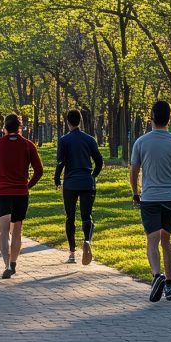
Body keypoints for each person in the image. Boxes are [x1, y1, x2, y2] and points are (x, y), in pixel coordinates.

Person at [130, 100, 171, 303]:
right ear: (170, 118)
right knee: (166, 240)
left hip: (150, 197)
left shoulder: (141, 142)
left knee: (152, 239)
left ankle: (157, 276)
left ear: (151, 118)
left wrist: (135, 192)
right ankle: (170, 286)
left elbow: (134, 171)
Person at [0, 113, 44, 279]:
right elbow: (39, 171)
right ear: (20, 127)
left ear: (4, 127)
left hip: (2, 192)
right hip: (20, 193)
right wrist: (27, 185)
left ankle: (7, 264)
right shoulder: (28, 145)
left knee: (3, 231)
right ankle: (14, 262)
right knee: (17, 230)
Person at [54, 109, 104, 265]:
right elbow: (99, 161)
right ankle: (87, 240)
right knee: (86, 216)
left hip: (70, 183)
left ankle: (72, 253)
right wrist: (93, 176)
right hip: (87, 182)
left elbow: (61, 162)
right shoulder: (89, 140)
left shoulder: (64, 140)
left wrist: (57, 179)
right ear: (80, 121)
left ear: (67, 122)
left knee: (70, 217)